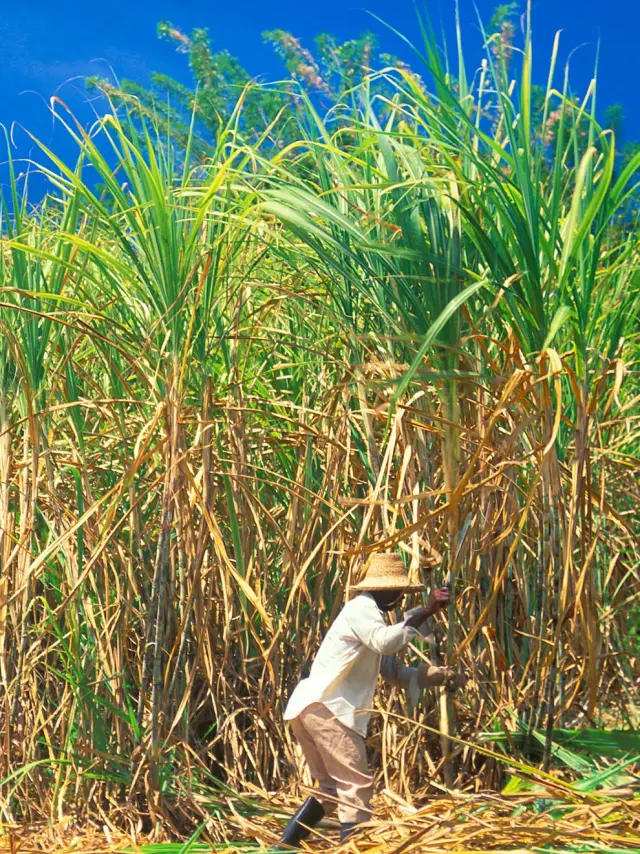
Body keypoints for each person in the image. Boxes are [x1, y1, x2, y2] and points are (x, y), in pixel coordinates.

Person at [279, 551, 463, 847]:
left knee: (328, 789)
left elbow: (395, 673)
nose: (400, 597)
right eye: (396, 590)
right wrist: (427, 612)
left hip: (309, 708)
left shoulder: (372, 620)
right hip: (329, 708)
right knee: (357, 785)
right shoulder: (361, 609)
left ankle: (283, 847)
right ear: (382, 589)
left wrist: (441, 675)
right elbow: (385, 642)